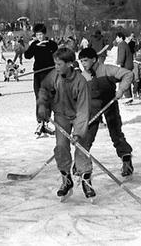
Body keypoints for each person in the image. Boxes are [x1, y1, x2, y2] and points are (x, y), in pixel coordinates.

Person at [36, 47, 92, 200]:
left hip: (77, 116)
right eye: (55, 64)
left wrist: (78, 133)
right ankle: (66, 179)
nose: (56, 67)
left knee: (82, 147)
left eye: (59, 64)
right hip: (60, 115)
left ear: (69, 64)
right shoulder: (54, 76)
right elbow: (43, 90)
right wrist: (42, 107)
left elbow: (83, 109)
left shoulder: (81, 82)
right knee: (61, 147)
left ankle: (86, 180)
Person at [78, 47, 135, 177]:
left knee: (116, 134)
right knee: (87, 136)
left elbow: (128, 74)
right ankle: (80, 164)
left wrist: (121, 90)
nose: (84, 64)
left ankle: (126, 160)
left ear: (94, 59)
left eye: (86, 60)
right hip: (92, 108)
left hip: (110, 104)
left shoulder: (107, 69)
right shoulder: (83, 76)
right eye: (81, 61)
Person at [24, 23, 59, 135]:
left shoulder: (50, 44)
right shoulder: (35, 44)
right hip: (38, 75)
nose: (39, 37)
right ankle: (40, 122)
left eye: (41, 34)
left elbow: (56, 49)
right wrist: (32, 46)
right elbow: (27, 55)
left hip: (49, 74)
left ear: (44, 34)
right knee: (39, 98)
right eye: (37, 35)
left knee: (48, 98)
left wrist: (47, 44)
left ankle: (46, 122)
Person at [115, 32, 134, 102]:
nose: (116, 39)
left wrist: (120, 63)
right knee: (126, 80)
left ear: (120, 38)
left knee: (124, 81)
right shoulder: (125, 44)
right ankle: (127, 96)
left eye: (117, 37)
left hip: (125, 65)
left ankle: (128, 97)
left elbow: (122, 55)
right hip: (128, 64)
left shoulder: (122, 45)